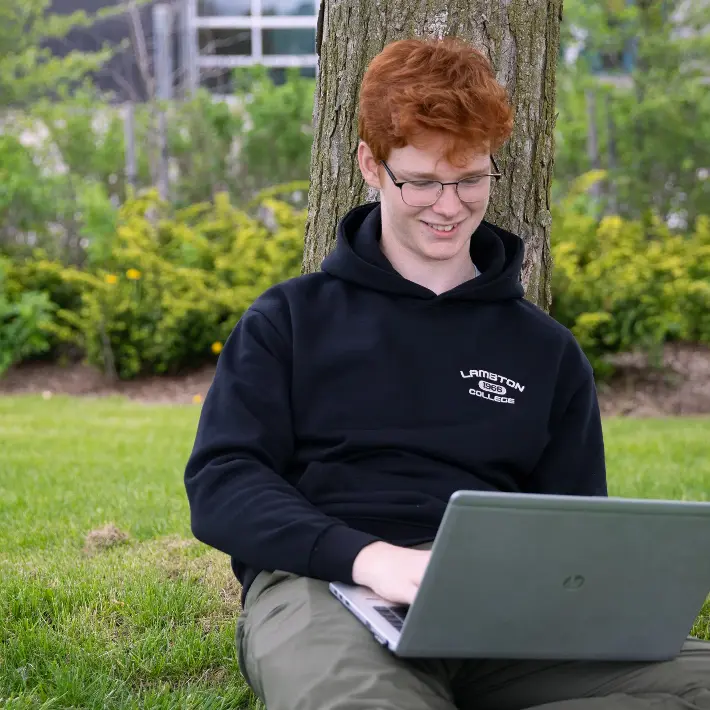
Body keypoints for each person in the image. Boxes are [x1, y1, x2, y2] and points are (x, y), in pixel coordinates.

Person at [184, 37, 710, 710]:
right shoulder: (289, 319)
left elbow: (574, 531)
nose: (450, 205)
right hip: (330, 587)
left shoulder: (546, 352)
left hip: (502, 611)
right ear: (371, 166)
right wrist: (371, 558)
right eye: (423, 182)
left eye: (471, 179)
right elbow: (224, 483)